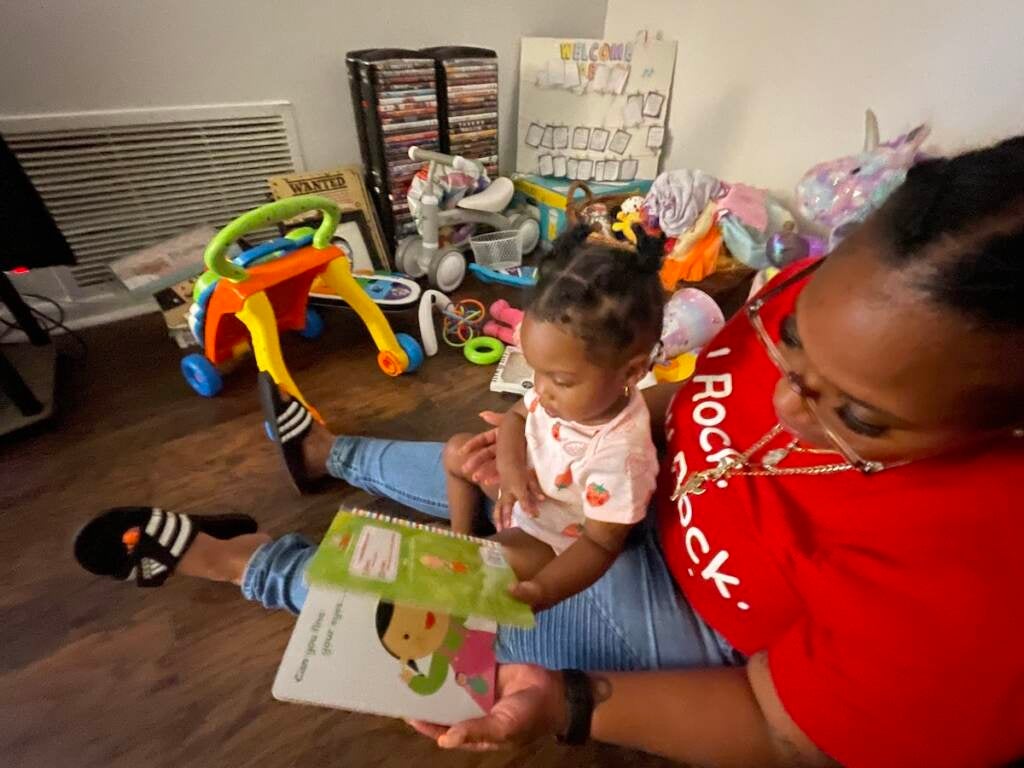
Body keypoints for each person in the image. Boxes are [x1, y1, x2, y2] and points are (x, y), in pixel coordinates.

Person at [74, 136, 1024, 767]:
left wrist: (567, 702)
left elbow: (783, 727)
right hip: (604, 498)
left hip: (667, 597)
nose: (781, 402)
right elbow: (674, 407)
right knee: (468, 465)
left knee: (429, 612)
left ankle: (253, 563)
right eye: (791, 342)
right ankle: (335, 455)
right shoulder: (833, 290)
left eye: (857, 416)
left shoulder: (987, 589)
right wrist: (529, 452)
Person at [443, 225, 662, 611]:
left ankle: (471, 551)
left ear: (631, 372)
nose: (541, 389)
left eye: (560, 380)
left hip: (551, 539)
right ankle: (458, 535)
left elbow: (600, 545)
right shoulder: (559, 394)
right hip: (523, 492)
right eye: (536, 371)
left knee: (482, 568)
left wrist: (544, 590)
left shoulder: (622, 457)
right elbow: (515, 418)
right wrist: (511, 471)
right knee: (456, 450)